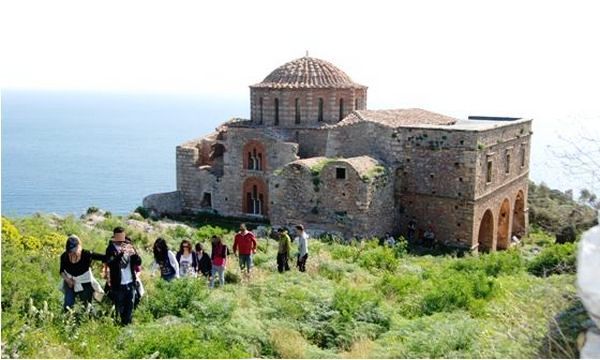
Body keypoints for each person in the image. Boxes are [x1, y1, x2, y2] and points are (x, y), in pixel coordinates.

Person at [105, 227, 142, 325]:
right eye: (119, 237)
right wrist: (121, 253)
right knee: (120, 309)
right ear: (115, 237)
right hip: (118, 284)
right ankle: (120, 326)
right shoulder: (110, 249)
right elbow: (111, 264)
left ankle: (127, 327)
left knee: (129, 308)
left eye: (123, 236)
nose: (122, 239)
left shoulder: (129, 246)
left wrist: (134, 254)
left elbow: (139, 262)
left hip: (130, 283)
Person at [59, 235, 105, 311]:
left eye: (74, 251)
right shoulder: (64, 256)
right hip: (70, 283)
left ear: (78, 248)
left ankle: (87, 319)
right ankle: (67, 319)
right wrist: (67, 280)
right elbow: (61, 271)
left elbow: (104, 257)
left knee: (86, 306)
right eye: (70, 252)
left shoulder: (86, 254)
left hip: (85, 283)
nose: (72, 254)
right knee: (68, 305)